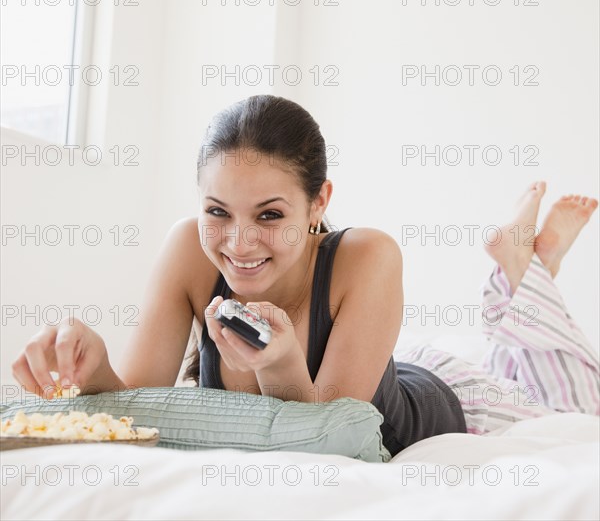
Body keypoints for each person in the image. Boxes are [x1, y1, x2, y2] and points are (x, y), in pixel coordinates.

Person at [11, 95, 599, 458]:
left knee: (566, 403)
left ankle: (528, 272)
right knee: (513, 363)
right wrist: (91, 367)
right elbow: (137, 396)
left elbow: (330, 438)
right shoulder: (187, 248)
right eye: (217, 211)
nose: (238, 245)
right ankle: (528, 272)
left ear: (319, 202)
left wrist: (281, 364)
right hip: (385, 356)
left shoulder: (368, 255)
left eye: (270, 215)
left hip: (430, 401)